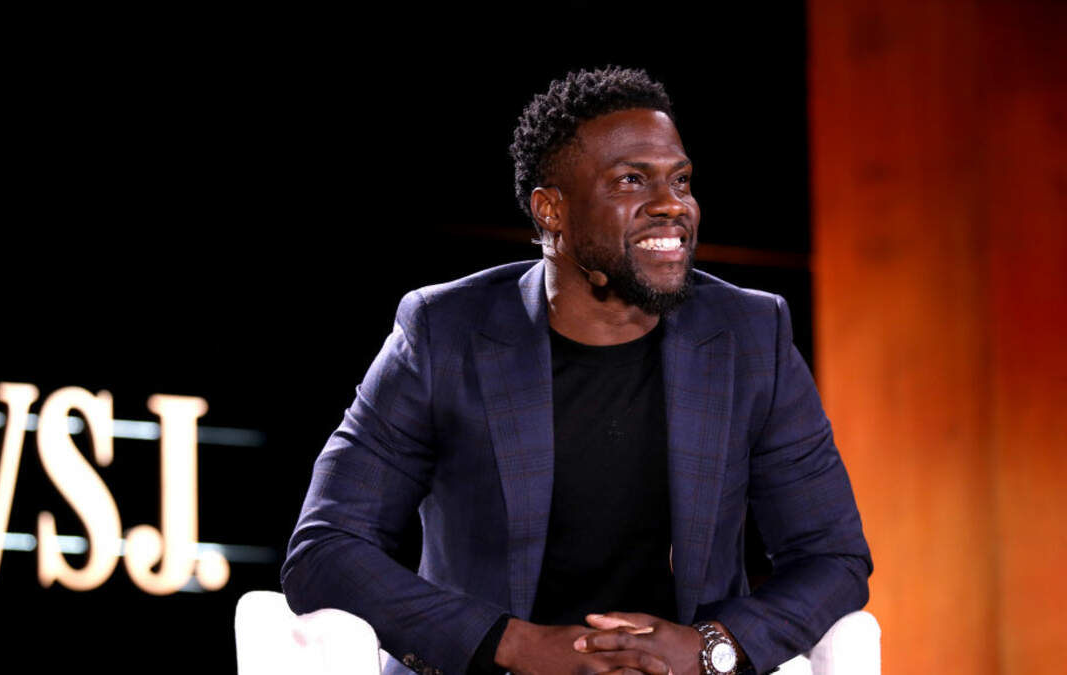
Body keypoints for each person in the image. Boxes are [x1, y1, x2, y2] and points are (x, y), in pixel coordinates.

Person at [282, 67, 871, 675]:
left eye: (680, 180)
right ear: (551, 211)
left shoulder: (750, 335)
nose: (673, 204)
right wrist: (517, 646)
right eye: (631, 180)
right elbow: (326, 548)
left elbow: (833, 557)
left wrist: (708, 647)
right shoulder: (444, 333)